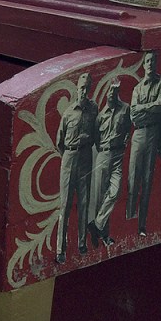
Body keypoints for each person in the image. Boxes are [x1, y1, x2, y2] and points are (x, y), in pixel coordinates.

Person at [55, 73, 97, 262]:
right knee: (65, 204)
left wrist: (86, 140)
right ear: (77, 89)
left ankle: (81, 243)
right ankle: (60, 249)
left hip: (86, 157)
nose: (83, 91)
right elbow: (59, 141)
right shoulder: (68, 113)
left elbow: (96, 133)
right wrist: (69, 154)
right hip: (69, 157)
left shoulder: (93, 110)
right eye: (81, 88)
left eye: (87, 88)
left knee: (84, 202)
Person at [127, 51, 161, 235]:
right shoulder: (137, 88)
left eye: (152, 60)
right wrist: (150, 107)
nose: (150, 63)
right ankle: (129, 220)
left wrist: (143, 109)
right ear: (144, 65)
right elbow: (133, 114)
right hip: (138, 133)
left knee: (147, 180)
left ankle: (141, 225)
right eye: (147, 61)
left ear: (156, 63)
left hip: (152, 133)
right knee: (133, 178)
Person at [89, 80, 130, 247]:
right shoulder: (101, 116)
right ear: (106, 94)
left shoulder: (125, 109)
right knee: (100, 197)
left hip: (118, 155)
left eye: (115, 91)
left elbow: (128, 128)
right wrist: (104, 149)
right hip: (103, 155)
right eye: (110, 91)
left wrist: (124, 142)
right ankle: (103, 236)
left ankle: (96, 225)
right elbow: (96, 138)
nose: (112, 94)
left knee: (114, 192)